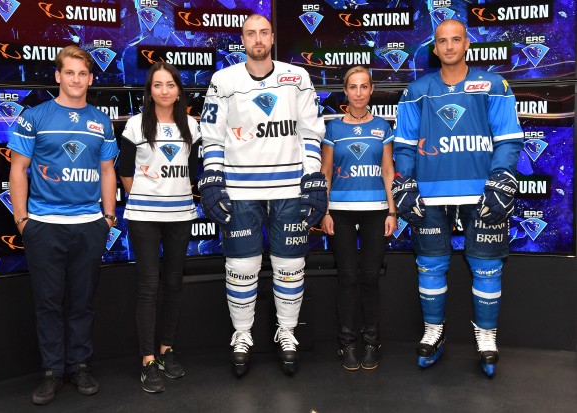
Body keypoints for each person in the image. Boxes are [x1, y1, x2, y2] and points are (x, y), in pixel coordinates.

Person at [391, 19, 523, 377]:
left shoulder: (493, 84)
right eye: (442, 41)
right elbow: (403, 146)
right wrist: (405, 183)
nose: (448, 46)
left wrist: (501, 178)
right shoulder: (416, 90)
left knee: (487, 267)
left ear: (467, 44)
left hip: (481, 193)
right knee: (431, 266)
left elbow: (509, 139)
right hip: (431, 195)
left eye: (455, 40)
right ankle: (434, 332)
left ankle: (487, 337)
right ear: (434, 48)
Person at [197, 13, 327, 377]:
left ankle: (287, 332)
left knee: (290, 266)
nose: (257, 39)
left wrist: (313, 179)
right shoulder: (224, 80)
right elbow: (213, 136)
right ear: (243, 40)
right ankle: (242, 335)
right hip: (240, 189)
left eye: (264, 33)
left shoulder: (297, 77)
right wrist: (212, 177)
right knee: (242, 267)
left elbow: (310, 133)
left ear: (272, 38)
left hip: (288, 187)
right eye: (251, 33)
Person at [8, 45, 118, 404]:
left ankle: (79, 365)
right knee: (49, 303)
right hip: (43, 224)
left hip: (89, 225)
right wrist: (22, 220)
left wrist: (108, 218)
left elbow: (107, 171)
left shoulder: (100, 121)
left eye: (83, 73)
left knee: (83, 302)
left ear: (90, 77)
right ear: (58, 76)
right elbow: (18, 169)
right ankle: (52, 371)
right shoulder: (34, 116)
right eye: (69, 73)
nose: (76, 79)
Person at [118, 62, 201, 393]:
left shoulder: (192, 127)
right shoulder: (136, 126)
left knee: (174, 285)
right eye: (157, 85)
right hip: (144, 217)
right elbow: (125, 170)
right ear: (149, 90)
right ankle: (148, 360)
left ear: (179, 89)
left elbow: (192, 173)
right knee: (148, 287)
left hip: (180, 215)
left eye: (170, 84)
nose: (164, 90)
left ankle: (166, 350)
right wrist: (145, 194)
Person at [320, 66, 397, 371]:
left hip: (376, 211)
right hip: (339, 211)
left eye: (364, 87)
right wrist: (324, 211)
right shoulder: (334, 130)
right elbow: (325, 174)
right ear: (346, 91)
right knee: (347, 277)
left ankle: (372, 342)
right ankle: (347, 343)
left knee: (369, 277)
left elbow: (388, 172)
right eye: (353, 87)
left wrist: (392, 210)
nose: (359, 93)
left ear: (371, 90)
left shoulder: (383, 126)